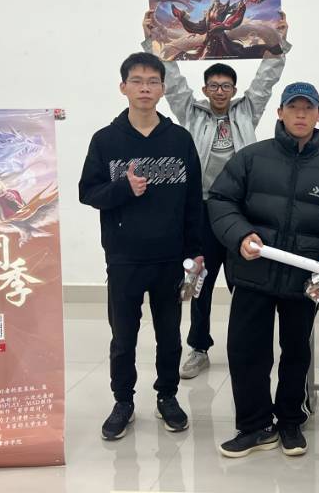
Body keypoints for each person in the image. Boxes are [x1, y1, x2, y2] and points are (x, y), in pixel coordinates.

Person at [208, 82, 319, 458]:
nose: (300, 114)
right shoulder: (251, 158)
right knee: (246, 351)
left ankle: (290, 420)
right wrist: (240, 234)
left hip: (302, 279)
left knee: (296, 352)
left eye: (308, 108)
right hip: (252, 274)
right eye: (293, 107)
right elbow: (221, 201)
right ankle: (254, 426)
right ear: (280, 113)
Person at [143, 9, 290, 379]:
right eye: (214, 86)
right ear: (205, 90)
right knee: (201, 282)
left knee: (245, 282)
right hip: (204, 210)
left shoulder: (247, 111)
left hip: (241, 211)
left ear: (234, 91)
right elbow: (173, 80)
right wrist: (153, 39)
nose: (220, 91)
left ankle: (247, 345)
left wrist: (278, 41)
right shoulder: (192, 114)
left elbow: (266, 79)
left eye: (226, 86)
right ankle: (199, 347)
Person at [79, 52, 204, 441]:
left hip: (170, 258)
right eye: (137, 81)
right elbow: (88, 192)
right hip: (124, 259)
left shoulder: (179, 140)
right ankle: (123, 402)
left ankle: (167, 396)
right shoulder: (106, 140)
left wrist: (195, 252)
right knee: (123, 337)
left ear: (162, 89)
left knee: (169, 335)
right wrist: (123, 188)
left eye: (152, 81)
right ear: (123, 88)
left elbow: (193, 202)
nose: (145, 88)